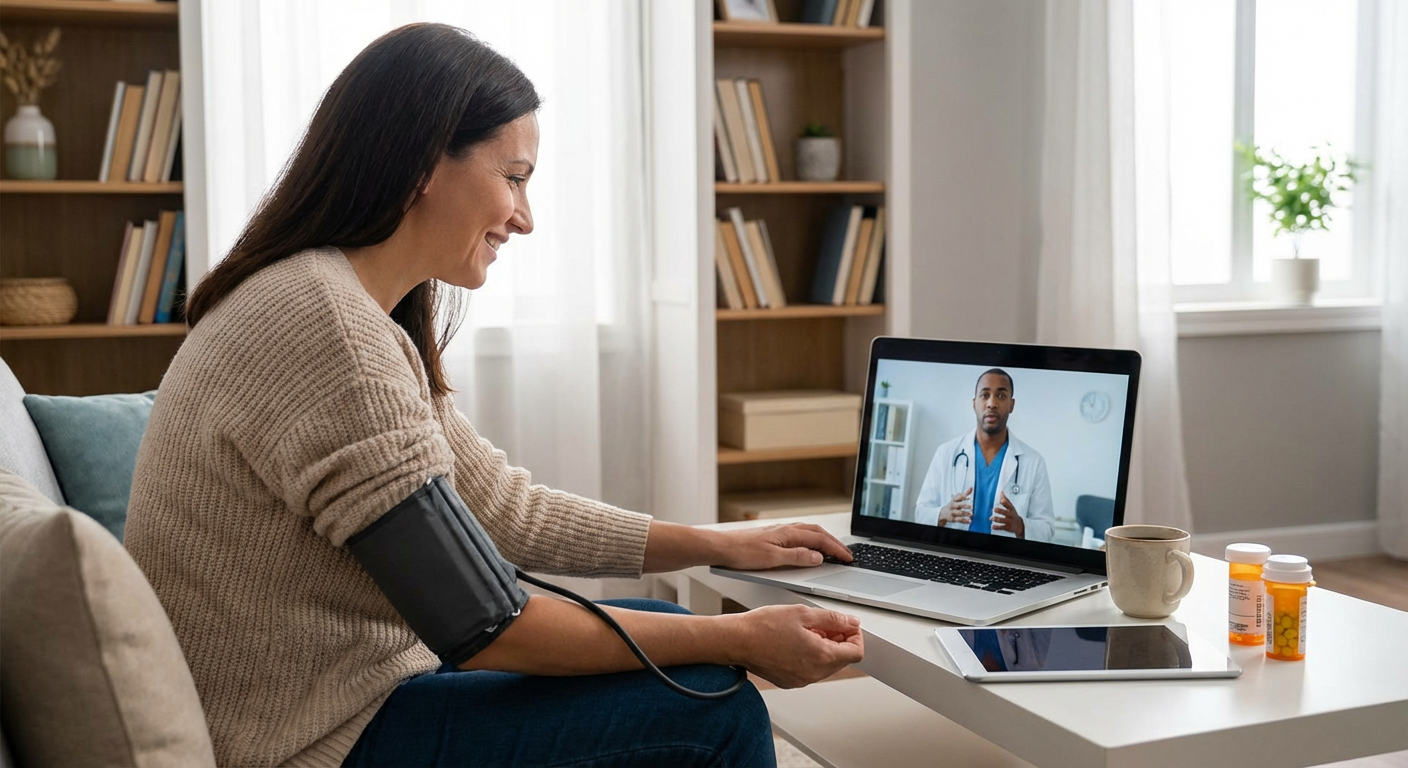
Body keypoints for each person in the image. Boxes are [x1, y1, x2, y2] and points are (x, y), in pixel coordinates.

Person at [124, 23, 862, 768]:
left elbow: (504, 507)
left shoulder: (344, 307)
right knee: (718, 706)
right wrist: (736, 636)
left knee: (663, 629)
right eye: (513, 177)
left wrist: (718, 542)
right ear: (420, 164)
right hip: (309, 739)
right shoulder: (328, 332)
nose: (525, 216)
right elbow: (486, 627)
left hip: (350, 689)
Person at [913, 369, 1055, 542]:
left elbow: (1047, 529)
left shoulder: (1034, 462)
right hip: (953, 552)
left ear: (1012, 405)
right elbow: (920, 513)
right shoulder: (946, 453)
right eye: (985, 395)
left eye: (1001, 396)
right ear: (974, 403)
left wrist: (1020, 525)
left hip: (1004, 559)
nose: (991, 403)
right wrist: (943, 513)